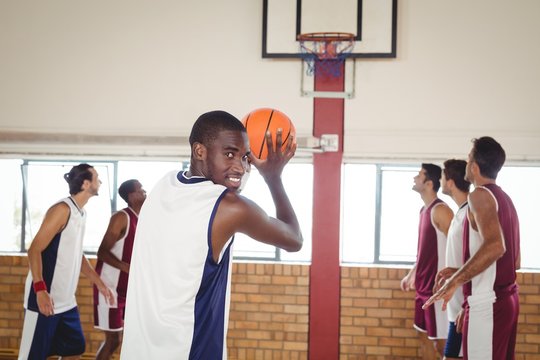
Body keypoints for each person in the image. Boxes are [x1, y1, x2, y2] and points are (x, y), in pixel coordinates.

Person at [121, 110, 303, 359]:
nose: (240, 166)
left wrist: (236, 164)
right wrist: (273, 178)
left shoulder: (163, 186)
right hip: (189, 352)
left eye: (245, 157)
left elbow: (215, 188)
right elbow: (294, 239)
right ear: (199, 151)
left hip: (139, 350)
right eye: (230, 154)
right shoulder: (229, 207)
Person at [424, 137, 520, 359]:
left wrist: (456, 281)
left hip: (488, 303)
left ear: (474, 167)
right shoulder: (506, 199)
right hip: (506, 300)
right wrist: (461, 275)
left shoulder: (479, 195)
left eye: (468, 158)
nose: (467, 162)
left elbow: (496, 246)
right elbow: (515, 261)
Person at [18, 163, 114, 360]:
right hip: (45, 300)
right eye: (97, 178)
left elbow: (76, 254)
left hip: (67, 302)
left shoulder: (81, 213)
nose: (101, 182)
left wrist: (100, 284)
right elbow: (34, 249)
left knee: (74, 349)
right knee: (32, 356)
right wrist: (40, 289)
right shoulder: (62, 209)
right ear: (86, 184)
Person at [400, 163, 453, 359]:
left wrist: (450, 283)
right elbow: (424, 250)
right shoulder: (424, 210)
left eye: (419, 175)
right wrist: (412, 273)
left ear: (429, 183)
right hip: (422, 289)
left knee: (441, 344)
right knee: (423, 338)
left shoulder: (441, 210)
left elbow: (459, 248)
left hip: (436, 291)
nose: (415, 178)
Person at [93, 179, 146, 360]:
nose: (145, 192)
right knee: (113, 340)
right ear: (131, 196)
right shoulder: (121, 217)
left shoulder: (141, 219)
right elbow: (102, 252)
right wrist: (126, 268)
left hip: (127, 291)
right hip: (110, 288)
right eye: (141, 190)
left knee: (125, 338)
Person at [436, 159, 471, 359]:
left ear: (450, 183)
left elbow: (477, 259)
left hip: (463, 307)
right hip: (455, 307)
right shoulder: (460, 212)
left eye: (442, 177)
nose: (441, 181)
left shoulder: (469, 213)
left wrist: (467, 304)